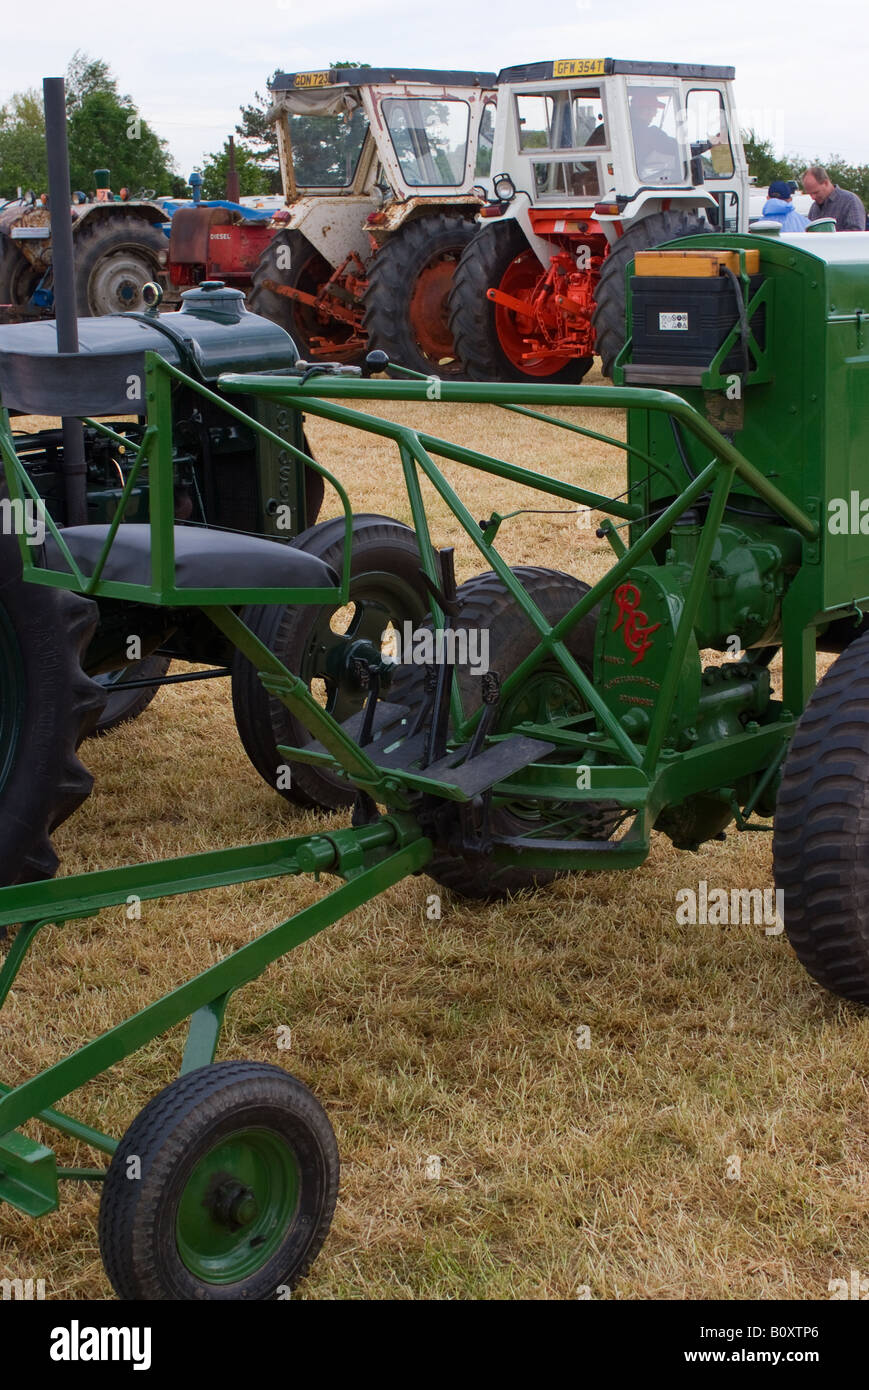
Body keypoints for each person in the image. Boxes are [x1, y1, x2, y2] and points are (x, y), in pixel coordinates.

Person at [629, 88, 682, 178]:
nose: (654, 114)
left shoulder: (605, 129)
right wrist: (708, 143)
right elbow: (681, 149)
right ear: (639, 110)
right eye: (652, 109)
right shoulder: (650, 133)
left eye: (655, 110)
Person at [802, 165, 866, 231]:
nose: (812, 197)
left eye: (816, 192)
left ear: (826, 183)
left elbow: (856, 234)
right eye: (810, 194)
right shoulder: (814, 208)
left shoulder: (850, 201)